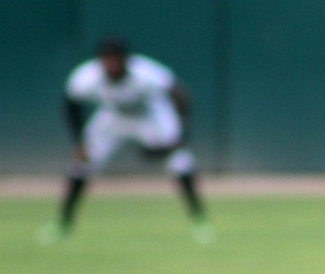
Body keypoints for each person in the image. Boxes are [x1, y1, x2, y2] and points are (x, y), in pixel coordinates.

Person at [40, 37, 213, 245]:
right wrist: (79, 142)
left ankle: (200, 221)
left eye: (117, 59)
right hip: (114, 116)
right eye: (107, 60)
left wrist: (182, 134)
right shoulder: (87, 76)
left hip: (149, 114)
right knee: (81, 165)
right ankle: (62, 223)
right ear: (100, 61)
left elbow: (179, 93)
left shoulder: (145, 72)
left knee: (181, 160)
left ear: (126, 60)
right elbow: (71, 105)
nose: (112, 64)